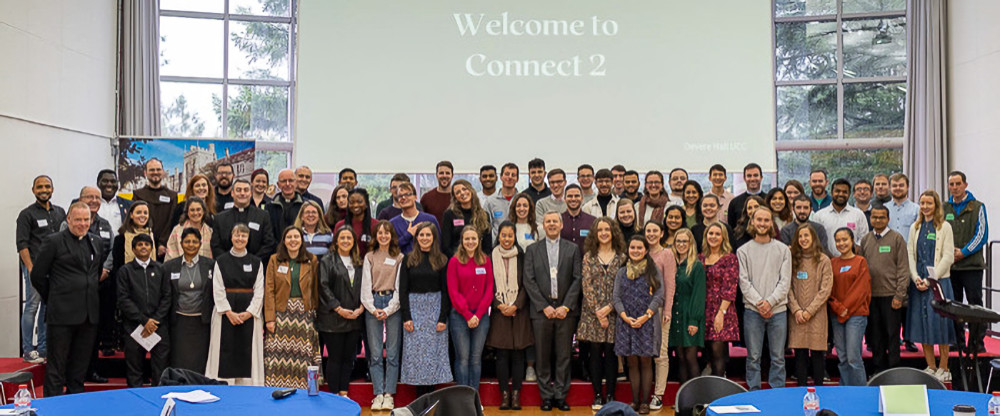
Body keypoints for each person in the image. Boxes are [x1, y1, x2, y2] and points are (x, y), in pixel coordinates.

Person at [30, 202, 104, 396]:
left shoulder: (96, 242)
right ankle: (52, 408)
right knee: (56, 368)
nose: (82, 224)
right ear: (68, 219)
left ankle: (75, 405)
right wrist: (53, 297)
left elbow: (94, 274)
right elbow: (37, 275)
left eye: (86, 219)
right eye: (78, 219)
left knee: (79, 369)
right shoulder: (53, 241)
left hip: (88, 316)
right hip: (61, 315)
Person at [522, 211, 582, 412]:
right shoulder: (532, 250)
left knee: (564, 355)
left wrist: (565, 306)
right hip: (541, 312)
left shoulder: (573, 249)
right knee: (542, 355)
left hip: (565, 311)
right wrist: (544, 306)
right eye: (548, 221)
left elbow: (577, 279)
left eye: (555, 221)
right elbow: (528, 280)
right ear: (543, 225)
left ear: (561, 224)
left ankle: (560, 396)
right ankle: (546, 396)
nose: (552, 224)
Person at [737, 206, 792, 391]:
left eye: (766, 220)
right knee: (753, 356)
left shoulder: (783, 250)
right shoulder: (743, 251)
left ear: (771, 223)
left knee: (778, 357)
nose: (762, 223)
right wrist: (760, 303)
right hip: (753, 311)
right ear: (752, 222)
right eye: (758, 220)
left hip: (778, 311)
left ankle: (777, 393)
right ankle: (754, 392)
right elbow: (744, 283)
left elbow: (785, 282)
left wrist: (770, 302)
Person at [906, 190, 956, 383]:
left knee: (940, 325)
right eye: (922, 203)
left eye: (929, 203)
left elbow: (948, 257)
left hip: (938, 283)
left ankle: (944, 366)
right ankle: (931, 366)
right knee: (922, 324)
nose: (925, 207)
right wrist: (916, 277)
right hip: (919, 284)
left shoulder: (945, 227)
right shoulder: (915, 227)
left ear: (936, 205)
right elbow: (911, 254)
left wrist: (930, 280)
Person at [576, 218, 626, 411]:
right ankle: (598, 394)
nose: (604, 233)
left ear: (613, 232)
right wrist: (598, 311)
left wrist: (609, 308)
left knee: (612, 354)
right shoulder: (589, 256)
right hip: (592, 314)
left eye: (607, 229)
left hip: (614, 313)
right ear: (595, 234)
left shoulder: (622, 257)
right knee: (595, 353)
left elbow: (624, 286)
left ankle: (611, 394)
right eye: (600, 230)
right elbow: (586, 285)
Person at [206, 224, 265, 386]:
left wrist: (250, 312)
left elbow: (260, 290)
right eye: (237, 235)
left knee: (248, 354)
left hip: (249, 316)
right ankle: (224, 386)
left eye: (244, 236)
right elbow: (217, 288)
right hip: (225, 314)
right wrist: (228, 312)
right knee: (224, 352)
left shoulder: (256, 262)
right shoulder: (221, 261)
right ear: (231, 237)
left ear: (248, 239)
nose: (240, 239)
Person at [264, 226, 321, 388]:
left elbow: (316, 289)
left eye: (296, 237)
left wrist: (315, 314)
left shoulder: (312, 260)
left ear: (302, 240)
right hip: (281, 313)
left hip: (304, 314)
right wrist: (270, 318)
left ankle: (306, 389)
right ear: (284, 241)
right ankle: (277, 388)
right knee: (277, 355)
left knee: (304, 355)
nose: (293, 240)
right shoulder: (274, 259)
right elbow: (269, 290)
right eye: (289, 237)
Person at [399, 222, 453, 395]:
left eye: (428, 235)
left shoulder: (442, 260)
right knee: (416, 356)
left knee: (433, 355)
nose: (424, 238)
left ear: (434, 237)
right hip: (414, 311)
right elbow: (403, 290)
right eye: (421, 235)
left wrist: (442, 318)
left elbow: (446, 291)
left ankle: (431, 398)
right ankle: (420, 399)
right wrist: (407, 317)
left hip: (435, 310)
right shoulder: (408, 259)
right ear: (416, 238)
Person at [613, 236, 664, 414]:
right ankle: (634, 401)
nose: (635, 250)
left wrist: (646, 316)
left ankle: (644, 401)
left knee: (646, 362)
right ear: (628, 250)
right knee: (632, 362)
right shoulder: (621, 272)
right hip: (626, 322)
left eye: (639, 248)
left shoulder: (653, 270)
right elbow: (616, 297)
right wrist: (625, 317)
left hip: (647, 322)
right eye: (632, 247)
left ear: (645, 250)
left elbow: (659, 295)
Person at [17, 175, 65, 364]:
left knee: (47, 308)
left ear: (52, 189)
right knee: (32, 307)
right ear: (33, 190)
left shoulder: (60, 212)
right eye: (40, 187)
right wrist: (30, 268)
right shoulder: (26, 214)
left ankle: (43, 349)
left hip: (55, 269)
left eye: (47, 186)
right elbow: (22, 244)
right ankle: (28, 350)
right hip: (35, 267)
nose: (44, 189)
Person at [486, 221, 534, 411]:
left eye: (510, 235)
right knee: (502, 355)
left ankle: (516, 395)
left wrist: (515, 305)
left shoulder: (523, 256)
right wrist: (499, 305)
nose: (506, 239)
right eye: (503, 235)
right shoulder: (490, 256)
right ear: (498, 236)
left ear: (515, 237)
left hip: (519, 313)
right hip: (499, 313)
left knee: (518, 355)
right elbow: (487, 284)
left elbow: (527, 283)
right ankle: (504, 394)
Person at [360, 221, 405, 410]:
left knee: (393, 353)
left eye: (387, 233)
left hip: (393, 304)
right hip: (374, 302)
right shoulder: (369, 257)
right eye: (380, 233)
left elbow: (399, 286)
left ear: (391, 235)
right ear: (375, 236)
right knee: (376, 353)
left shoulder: (399, 257)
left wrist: (388, 309)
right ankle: (378, 393)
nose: (383, 236)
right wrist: (372, 308)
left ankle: (389, 394)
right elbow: (365, 284)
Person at [116, 233, 171, 387]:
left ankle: (158, 403)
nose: (143, 247)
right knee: (135, 370)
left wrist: (155, 321)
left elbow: (167, 297)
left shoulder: (161, 269)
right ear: (133, 249)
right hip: (134, 327)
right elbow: (123, 299)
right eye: (140, 245)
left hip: (158, 327)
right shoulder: (125, 271)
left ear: (151, 248)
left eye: (147, 244)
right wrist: (144, 320)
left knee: (160, 370)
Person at [944, 171, 989, 353]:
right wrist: (949, 254)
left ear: (965, 185)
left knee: (974, 305)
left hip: (971, 266)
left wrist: (963, 252)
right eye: (951, 184)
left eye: (958, 184)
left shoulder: (978, 207)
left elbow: (982, 234)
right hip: (951, 267)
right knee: (953, 305)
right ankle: (957, 341)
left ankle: (977, 343)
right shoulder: (944, 207)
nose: (954, 187)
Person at [316, 226, 365, 396]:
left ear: (354, 242)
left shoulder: (359, 261)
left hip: (354, 317)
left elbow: (364, 286)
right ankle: (333, 393)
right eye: (342, 238)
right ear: (336, 241)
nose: (345, 241)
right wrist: (338, 308)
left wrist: (361, 307)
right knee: (335, 358)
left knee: (348, 358)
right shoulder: (326, 261)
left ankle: (343, 391)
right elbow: (323, 287)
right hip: (332, 318)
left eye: (349, 238)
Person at [72, 187, 114, 382]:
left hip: (101, 285)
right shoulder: (70, 223)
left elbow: (112, 251)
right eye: (89, 197)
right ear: (81, 199)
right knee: (76, 332)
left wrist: (105, 271)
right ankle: (72, 373)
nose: (94, 200)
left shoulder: (105, 225)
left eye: (97, 198)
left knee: (94, 332)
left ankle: (93, 370)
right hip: (77, 289)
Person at [860, 206, 908, 374]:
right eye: (875, 217)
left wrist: (899, 295)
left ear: (888, 219)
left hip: (891, 296)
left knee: (893, 335)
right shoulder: (865, 239)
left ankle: (893, 371)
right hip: (872, 297)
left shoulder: (897, 239)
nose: (878, 220)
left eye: (882, 217)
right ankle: (878, 370)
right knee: (875, 336)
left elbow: (903, 269)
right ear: (870, 219)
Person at [447, 227, 494, 389]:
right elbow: (453, 292)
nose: (470, 242)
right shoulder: (454, 261)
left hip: (481, 317)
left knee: (475, 358)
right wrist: (468, 315)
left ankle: (473, 397)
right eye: (467, 239)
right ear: (462, 241)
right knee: (463, 358)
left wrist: (478, 315)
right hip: (460, 316)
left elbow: (489, 290)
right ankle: (462, 397)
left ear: (479, 241)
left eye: (473, 238)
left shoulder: (485, 260)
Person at [163, 228, 215, 374]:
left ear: (200, 244)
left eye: (194, 241)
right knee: (179, 359)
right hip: (179, 321)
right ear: (181, 243)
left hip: (202, 322)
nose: (191, 245)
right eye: (187, 241)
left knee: (200, 360)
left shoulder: (210, 265)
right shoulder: (169, 266)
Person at [787, 224, 833, 387]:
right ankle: (801, 390)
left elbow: (825, 289)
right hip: (797, 315)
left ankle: (819, 390)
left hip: (817, 315)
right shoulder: (793, 259)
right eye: (800, 236)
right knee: (799, 354)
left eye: (807, 236)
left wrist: (809, 311)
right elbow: (788, 287)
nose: (803, 239)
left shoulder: (823, 260)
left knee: (817, 354)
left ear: (814, 238)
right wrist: (797, 310)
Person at [829, 227, 871, 386]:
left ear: (852, 240)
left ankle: (859, 392)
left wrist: (845, 309)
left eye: (844, 239)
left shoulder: (860, 262)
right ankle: (845, 390)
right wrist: (839, 309)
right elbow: (828, 289)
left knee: (853, 357)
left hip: (856, 315)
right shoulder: (833, 262)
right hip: (837, 315)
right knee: (842, 357)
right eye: (838, 240)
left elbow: (861, 290)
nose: (841, 243)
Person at [643, 221, 677, 411]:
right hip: (640, 310)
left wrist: (668, 310)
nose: (651, 234)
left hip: (660, 310)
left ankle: (659, 394)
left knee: (660, 354)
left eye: (655, 230)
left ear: (661, 233)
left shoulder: (667, 254)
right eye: (648, 230)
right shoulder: (640, 251)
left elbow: (670, 284)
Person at [699, 222, 740, 378]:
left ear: (723, 237)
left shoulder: (730, 258)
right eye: (710, 233)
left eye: (717, 234)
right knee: (707, 352)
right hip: (703, 309)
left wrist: (721, 313)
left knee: (718, 352)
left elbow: (730, 287)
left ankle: (718, 390)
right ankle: (707, 390)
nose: (713, 237)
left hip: (721, 309)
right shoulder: (700, 257)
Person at [668, 229, 705, 385]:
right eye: (678, 241)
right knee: (680, 357)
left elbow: (699, 295)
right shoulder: (673, 264)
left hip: (689, 315)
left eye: (685, 241)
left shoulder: (696, 266)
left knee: (690, 357)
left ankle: (696, 397)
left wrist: (694, 320)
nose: (681, 245)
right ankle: (683, 399)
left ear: (690, 244)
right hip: (676, 315)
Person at [211, 179, 276, 261]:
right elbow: (216, 245)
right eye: (238, 190)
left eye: (246, 190)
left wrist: (253, 261)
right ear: (232, 193)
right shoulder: (220, 218)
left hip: (255, 266)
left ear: (250, 194)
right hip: (226, 267)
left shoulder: (263, 216)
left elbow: (269, 243)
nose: (242, 193)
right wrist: (228, 262)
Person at [132, 159, 178, 260]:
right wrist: (147, 242)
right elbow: (136, 221)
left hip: (166, 248)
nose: (155, 172)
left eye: (158, 169)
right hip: (143, 246)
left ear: (163, 172)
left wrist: (163, 243)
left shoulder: (172, 196)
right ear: (145, 173)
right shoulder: (138, 195)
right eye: (151, 170)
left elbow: (172, 220)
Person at [812, 179, 870, 255]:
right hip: (828, 262)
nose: (841, 194)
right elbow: (815, 239)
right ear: (831, 192)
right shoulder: (819, 216)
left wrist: (856, 249)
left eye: (845, 192)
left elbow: (864, 237)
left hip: (852, 261)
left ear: (849, 194)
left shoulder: (858, 214)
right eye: (837, 191)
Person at [441, 179, 492, 256]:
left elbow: (487, 245)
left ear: (471, 190)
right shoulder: (449, 215)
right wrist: (459, 260)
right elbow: (445, 246)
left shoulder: (484, 215)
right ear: (455, 197)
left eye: (464, 189)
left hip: (479, 261)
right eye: (458, 192)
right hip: (457, 260)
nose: (462, 193)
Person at [389, 182, 440, 254]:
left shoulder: (430, 220)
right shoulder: (393, 223)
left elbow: (439, 245)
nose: (403, 198)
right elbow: (390, 248)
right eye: (400, 196)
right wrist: (408, 235)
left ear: (415, 197)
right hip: (401, 263)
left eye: (408, 194)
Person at [165, 196, 212, 261]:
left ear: (203, 211)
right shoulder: (177, 230)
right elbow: (170, 255)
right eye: (192, 210)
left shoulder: (210, 231)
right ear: (187, 212)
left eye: (198, 209)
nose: (195, 213)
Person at [335, 188, 378, 257]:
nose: (355, 205)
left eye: (359, 202)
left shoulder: (376, 225)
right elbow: (335, 249)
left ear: (366, 203)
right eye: (351, 202)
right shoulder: (340, 225)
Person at [266, 169, 305, 243]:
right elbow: (268, 233)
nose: (287, 184)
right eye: (283, 181)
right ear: (278, 184)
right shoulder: (269, 207)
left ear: (296, 183)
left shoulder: (304, 206)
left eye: (291, 180)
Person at [483, 163, 520, 236]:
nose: (510, 177)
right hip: (496, 245)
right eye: (507, 174)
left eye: (513, 175)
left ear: (517, 179)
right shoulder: (490, 201)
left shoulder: (522, 200)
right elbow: (485, 226)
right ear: (501, 177)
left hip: (518, 244)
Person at [96, 169, 131, 237]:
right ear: (98, 183)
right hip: (94, 246)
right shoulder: (89, 204)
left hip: (119, 246)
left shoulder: (128, 205)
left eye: (113, 181)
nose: (109, 184)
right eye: (105, 181)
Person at [561, 184, 596, 251]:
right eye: (570, 196)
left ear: (582, 198)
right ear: (564, 199)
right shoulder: (558, 220)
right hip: (564, 261)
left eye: (576, 196)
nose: (573, 199)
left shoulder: (592, 221)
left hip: (585, 260)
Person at [887, 173, 919, 240]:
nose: (898, 188)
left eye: (901, 185)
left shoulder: (916, 209)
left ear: (907, 187)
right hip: (887, 249)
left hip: (908, 249)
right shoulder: (884, 208)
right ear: (889, 188)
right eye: (894, 186)